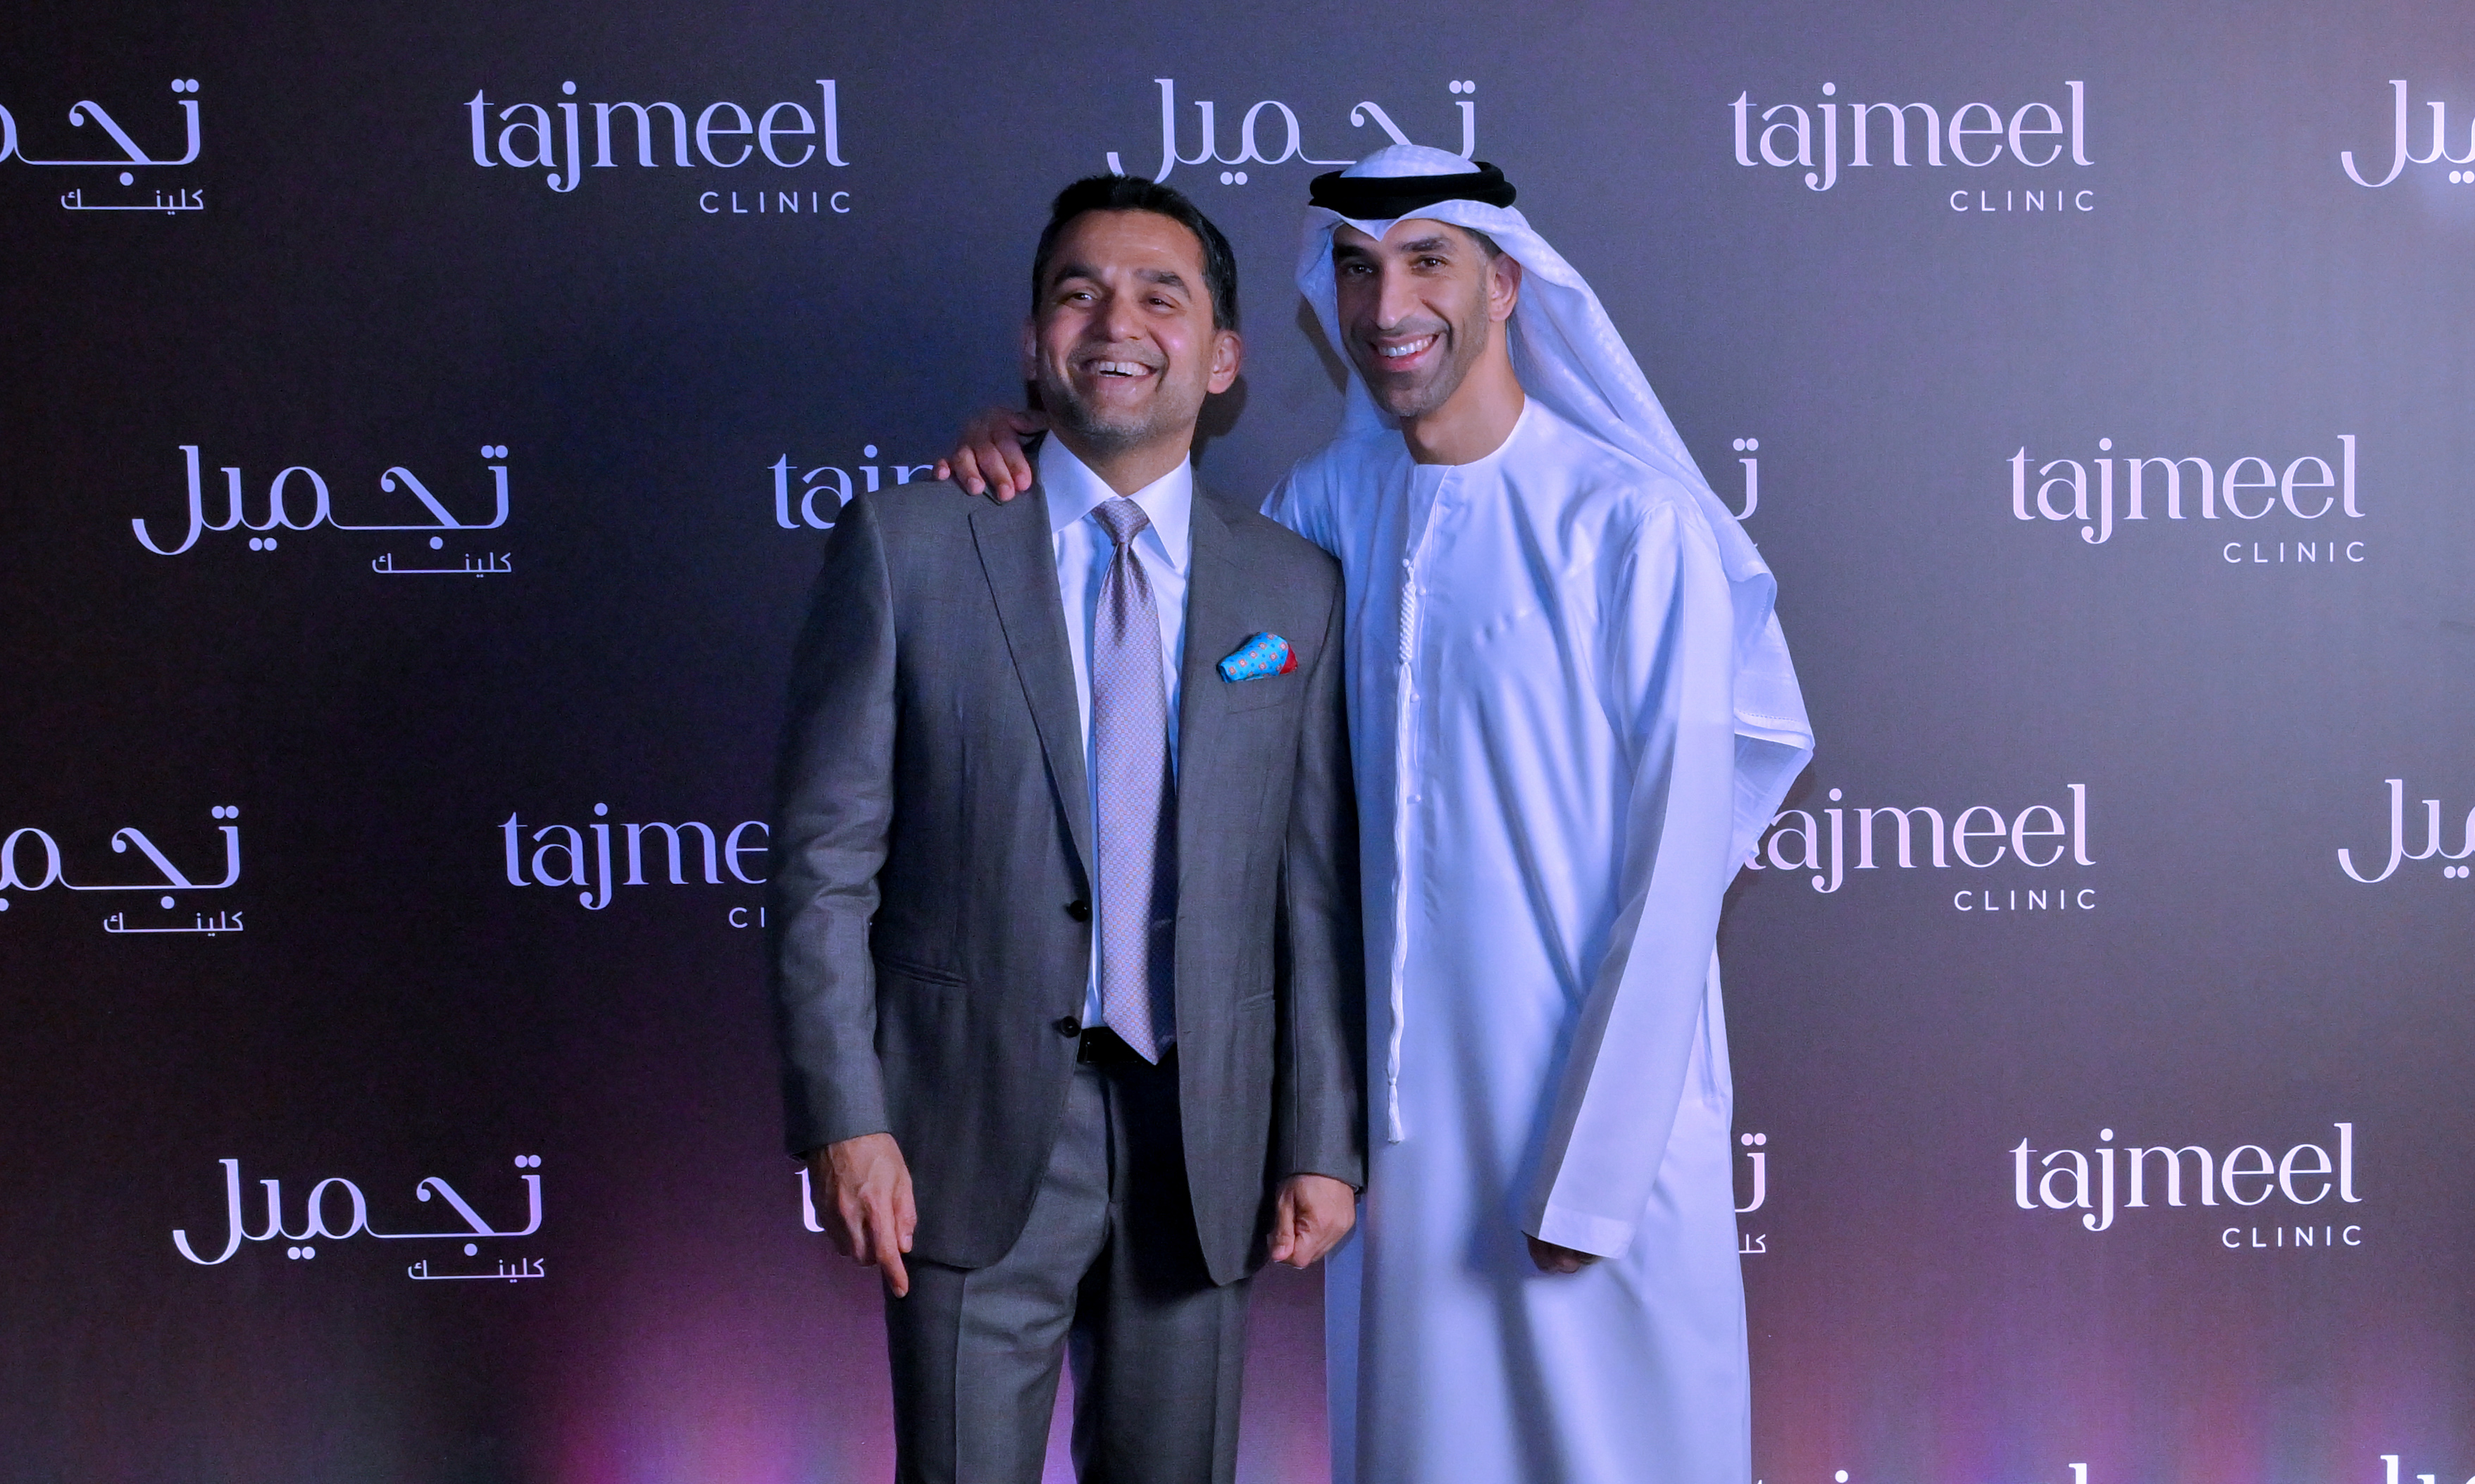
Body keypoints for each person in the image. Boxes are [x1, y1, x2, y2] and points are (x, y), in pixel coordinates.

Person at [938, 146, 1813, 1483]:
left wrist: (1598, 1169)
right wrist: (1025, 447)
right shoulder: (1320, 508)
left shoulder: (1634, 526)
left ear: (1505, 284)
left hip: (1594, 1125)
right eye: (1354, 269)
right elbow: (1151, 598)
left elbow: (1676, 872)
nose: (1385, 304)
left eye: (1425, 262)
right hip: (1401, 1149)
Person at [770, 174, 1364, 1484]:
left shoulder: (1294, 588)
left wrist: (1320, 1138)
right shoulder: (907, 546)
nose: (1118, 322)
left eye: (1162, 295)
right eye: (1078, 292)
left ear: (1222, 358)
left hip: (1202, 1142)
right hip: (957, 1135)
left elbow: (1313, 893)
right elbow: (821, 869)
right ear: (1035, 343)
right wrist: (844, 1118)